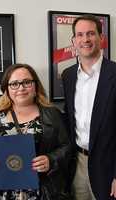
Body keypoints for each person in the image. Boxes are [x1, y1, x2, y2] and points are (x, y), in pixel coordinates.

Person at [0, 63, 71, 200]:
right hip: (4, 193)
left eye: (27, 82)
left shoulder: (52, 114)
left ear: (35, 86)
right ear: (6, 89)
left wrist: (51, 160)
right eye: (14, 84)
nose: (21, 88)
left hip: (45, 192)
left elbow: (67, 146)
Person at [62, 14, 116, 200]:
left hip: (109, 166)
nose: (85, 39)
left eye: (91, 34)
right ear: (73, 41)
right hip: (77, 163)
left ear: (102, 38)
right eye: (80, 35)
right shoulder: (68, 76)